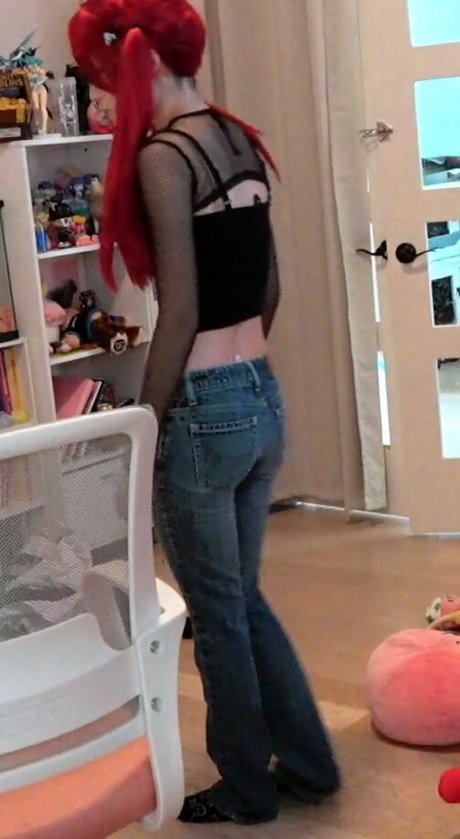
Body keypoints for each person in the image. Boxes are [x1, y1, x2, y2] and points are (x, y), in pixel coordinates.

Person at [69, 0, 340, 825]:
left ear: (143, 64)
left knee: (218, 613)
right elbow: (268, 287)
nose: (104, 101)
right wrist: (241, 375)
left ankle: (248, 787)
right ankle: (309, 761)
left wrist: (146, 426)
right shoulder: (237, 138)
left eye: (106, 82)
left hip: (206, 412)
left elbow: (179, 309)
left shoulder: (164, 155)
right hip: (260, 395)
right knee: (242, 598)